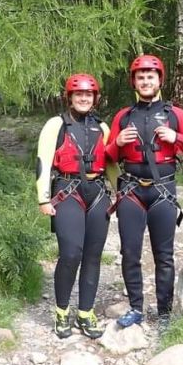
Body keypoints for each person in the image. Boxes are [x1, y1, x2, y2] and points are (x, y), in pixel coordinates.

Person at [106, 54, 183, 334]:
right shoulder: (123, 117)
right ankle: (136, 308)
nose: (146, 81)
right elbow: (106, 158)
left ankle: (163, 312)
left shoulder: (175, 114)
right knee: (129, 253)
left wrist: (178, 139)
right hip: (131, 191)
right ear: (134, 82)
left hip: (163, 190)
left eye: (151, 76)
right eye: (140, 77)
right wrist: (116, 143)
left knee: (163, 255)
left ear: (160, 80)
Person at [35, 73, 111, 339]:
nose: (83, 98)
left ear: (95, 98)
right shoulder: (56, 125)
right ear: (69, 98)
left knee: (93, 255)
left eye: (88, 94)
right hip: (67, 190)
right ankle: (62, 310)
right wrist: (43, 198)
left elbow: (111, 165)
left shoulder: (102, 127)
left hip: (98, 192)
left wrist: (124, 196)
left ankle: (86, 313)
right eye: (78, 94)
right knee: (70, 254)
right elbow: (43, 161)